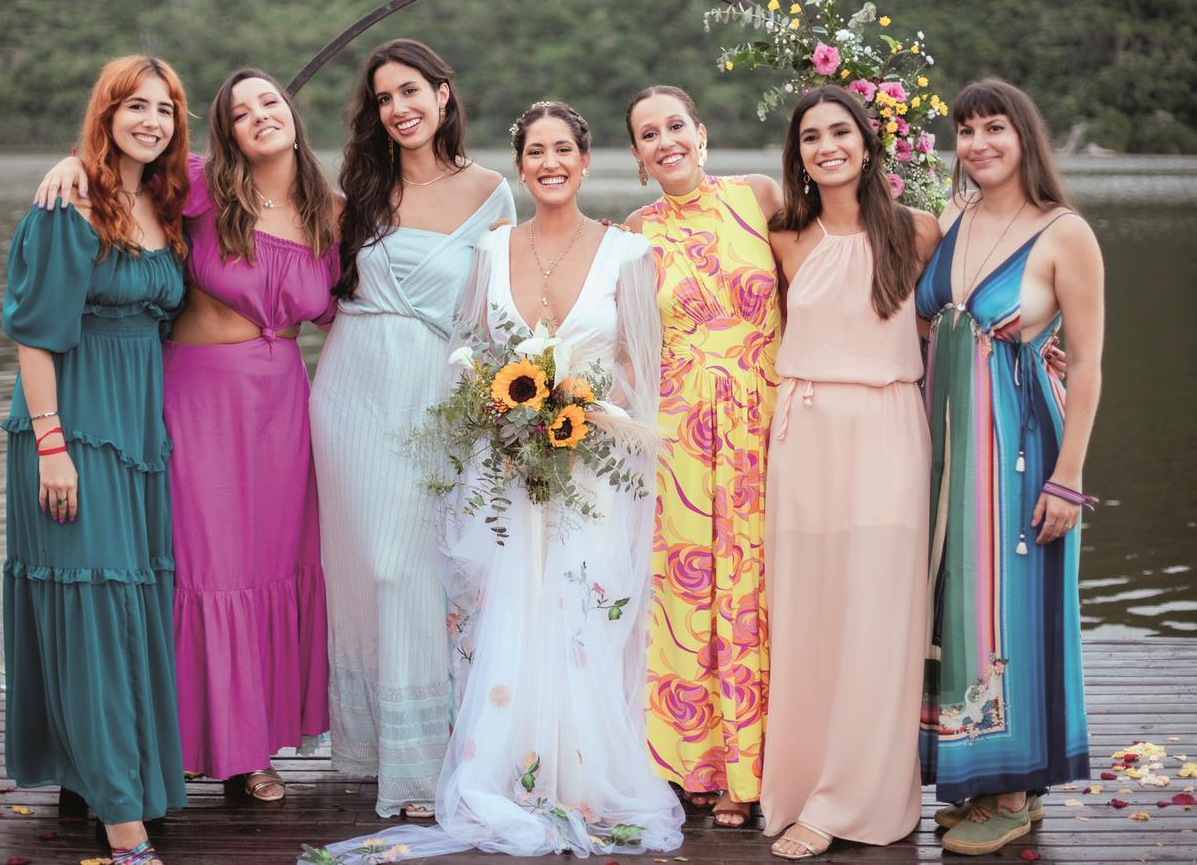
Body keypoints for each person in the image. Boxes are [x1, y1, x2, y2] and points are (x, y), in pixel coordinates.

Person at [306, 102, 681, 863]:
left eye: (563, 150)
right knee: (508, 613)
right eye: (534, 151)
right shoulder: (491, 246)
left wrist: (587, 416)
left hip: (593, 472)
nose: (549, 162)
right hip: (509, 468)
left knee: (581, 615)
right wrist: (507, 423)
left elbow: (644, 379)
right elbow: (474, 357)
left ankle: (580, 774)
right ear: (520, 167)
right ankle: (506, 769)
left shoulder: (627, 254)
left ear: (585, 159)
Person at [33, 68, 339, 801]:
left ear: (292, 113)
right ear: (225, 132)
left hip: (283, 409)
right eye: (240, 111)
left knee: (271, 568)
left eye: (270, 101)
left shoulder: (333, 211)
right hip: (198, 397)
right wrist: (72, 162)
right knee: (201, 568)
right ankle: (176, 741)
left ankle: (250, 750)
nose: (259, 116)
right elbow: (126, 167)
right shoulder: (202, 188)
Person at [308, 39, 514, 818]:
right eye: (384, 98)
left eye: (411, 91)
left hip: (435, 390)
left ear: (443, 93)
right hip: (352, 386)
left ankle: (427, 755)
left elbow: (500, 309)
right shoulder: (357, 189)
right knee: (367, 567)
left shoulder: (493, 191)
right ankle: (374, 747)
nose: (399, 108)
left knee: (416, 569)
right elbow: (248, 189)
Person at [4, 55, 191, 865]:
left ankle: (109, 781)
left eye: (166, 109)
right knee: (90, 614)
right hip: (71, 430)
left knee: (128, 609)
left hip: (138, 436)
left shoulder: (163, 198)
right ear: (106, 111)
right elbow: (34, 336)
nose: (151, 120)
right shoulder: (68, 202)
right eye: (135, 106)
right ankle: (122, 824)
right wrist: (53, 448)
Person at [916, 78, 1102, 856]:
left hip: (1022, 444)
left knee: (1013, 608)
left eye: (995, 127)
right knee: (958, 605)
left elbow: (1088, 364)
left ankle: (1017, 785)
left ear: (1025, 135)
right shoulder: (952, 219)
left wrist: (1068, 477)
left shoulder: (1064, 232)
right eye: (965, 131)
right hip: (947, 442)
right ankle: (976, 779)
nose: (979, 143)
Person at [759, 85, 941, 860]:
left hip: (888, 432)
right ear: (796, 156)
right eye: (810, 137)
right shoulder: (785, 237)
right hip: (803, 438)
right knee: (809, 616)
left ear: (868, 143)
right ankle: (804, 783)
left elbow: (975, 302)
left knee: (878, 617)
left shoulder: (920, 232)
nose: (826, 146)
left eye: (840, 131)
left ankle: (856, 797)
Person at [623, 86, 780, 827]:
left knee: (759, 588)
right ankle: (697, 764)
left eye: (675, 126)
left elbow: (846, 256)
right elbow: (621, 344)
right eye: (648, 134)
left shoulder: (759, 197)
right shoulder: (635, 231)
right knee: (688, 598)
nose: (665, 141)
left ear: (702, 132)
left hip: (766, 420)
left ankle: (764, 762)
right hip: (682, 438)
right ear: (637, 156)